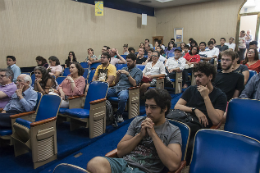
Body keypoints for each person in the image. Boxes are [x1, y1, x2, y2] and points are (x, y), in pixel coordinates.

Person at [87, 88, 182, 173]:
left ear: (165, 108)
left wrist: (153, 134)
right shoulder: (138, 121)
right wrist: (140, 135)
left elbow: (173, 165)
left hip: (145, 170)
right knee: (95, 163)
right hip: (124, 163)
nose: (148, 111)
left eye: (153, 107)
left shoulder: (173, 131)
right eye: (146, 106)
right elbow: (120, 151)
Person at [174, 62, 226, 163]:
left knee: (189, 145)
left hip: (201, 127)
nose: (197, 79)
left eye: (200, 76)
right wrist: (195, 110)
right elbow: (177, 106)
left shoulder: (220, 95)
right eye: (196, 76)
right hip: (187, 120)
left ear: (210, 76)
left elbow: (216, 120)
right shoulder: (191, 89)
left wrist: (206, 97)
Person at [107, 53, 143, 123]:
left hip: (126, 89)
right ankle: (108, 112)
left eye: (130, 61)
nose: (128, 63)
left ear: (134, 61)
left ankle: (119, 114)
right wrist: (117, 75)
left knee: (123, 97)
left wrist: (127, 74)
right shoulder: (124, 68)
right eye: (127, 61)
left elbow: (135, 83)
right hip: (116, 87)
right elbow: (116, 82)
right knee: (102, 93)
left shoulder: (138, 72)